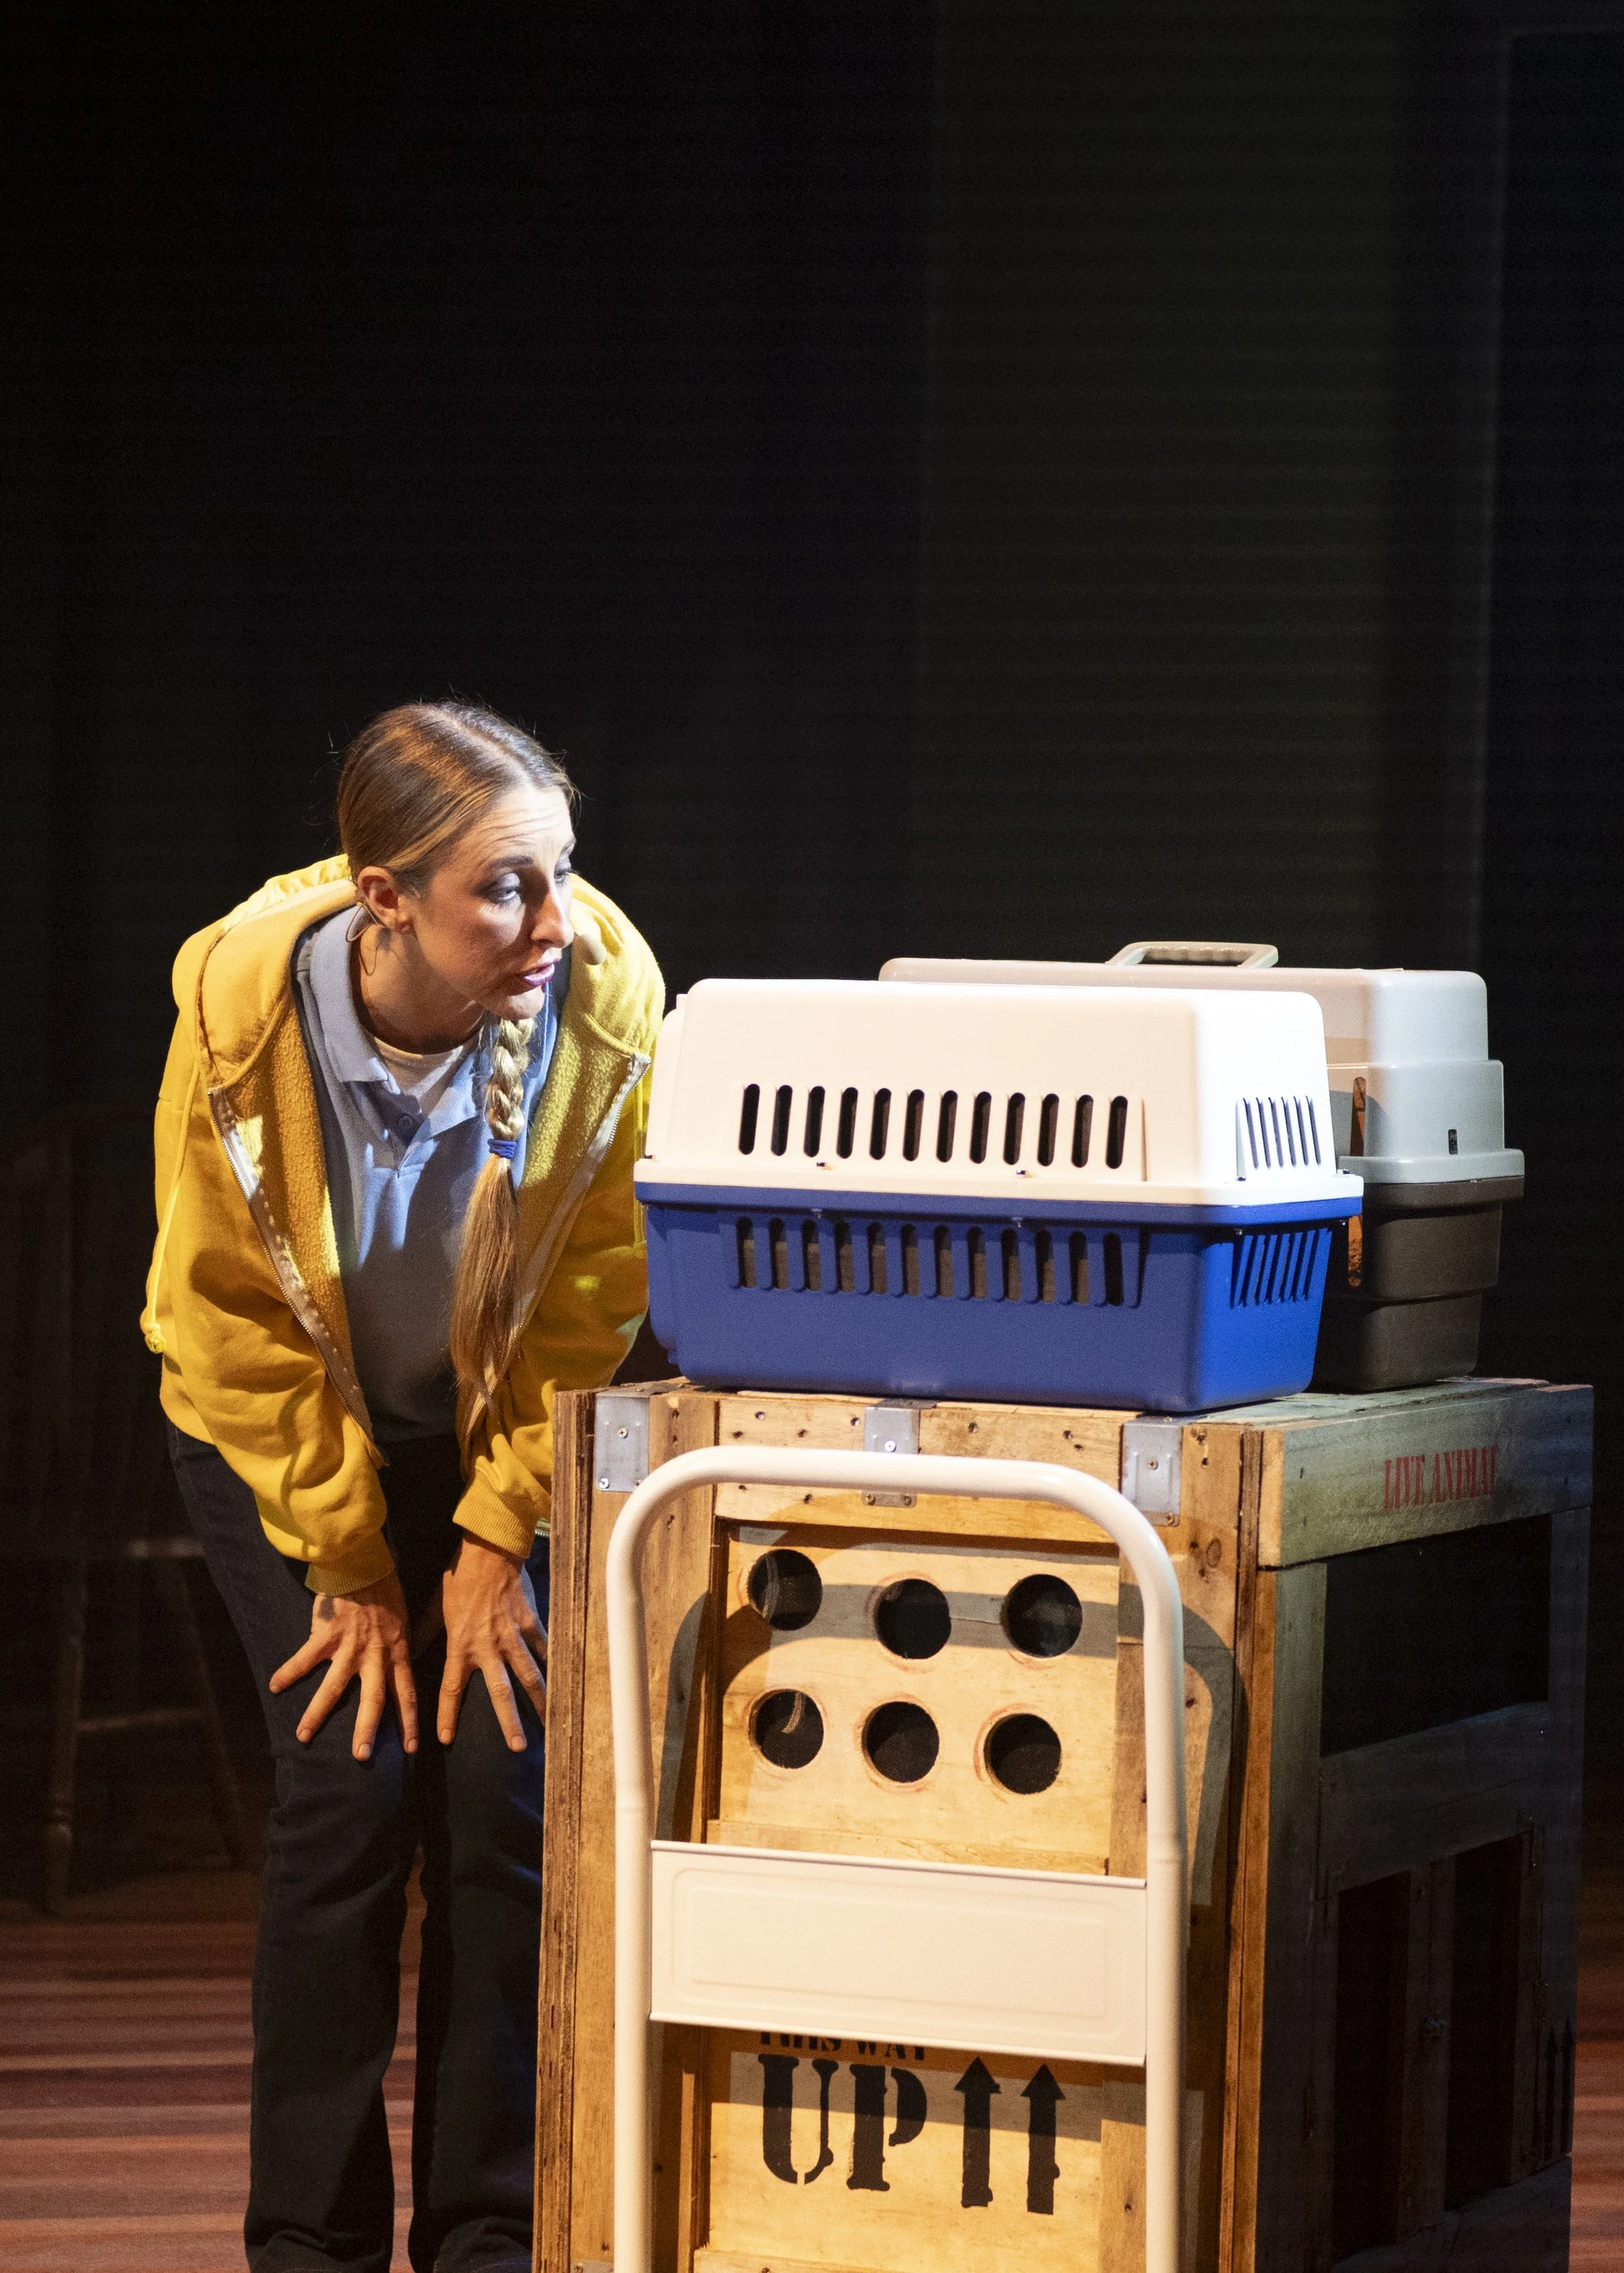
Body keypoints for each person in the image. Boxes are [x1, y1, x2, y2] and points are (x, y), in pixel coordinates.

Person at [142, 702, 663, 2273]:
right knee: (346, 1789)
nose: (549, 923)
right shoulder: (243, 1019)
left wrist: (499, 1530)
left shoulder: (604, 1004)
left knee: (501, 1791)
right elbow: (225, 1320)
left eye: (559, 874)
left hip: (500, 1436)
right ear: (385, 900)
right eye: (504, 888)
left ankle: (486, 2233)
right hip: (288, 1444)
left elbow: (592, 1298)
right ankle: (308, 2240)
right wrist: (353, 1564)